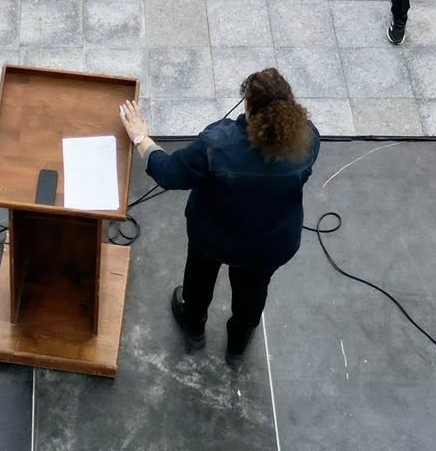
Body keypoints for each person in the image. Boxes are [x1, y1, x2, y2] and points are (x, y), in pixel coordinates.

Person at [115, 71, 319, 363]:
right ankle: (237, 347)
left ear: (248, 108)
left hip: (213, 237)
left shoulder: (218, 144)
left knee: (198, 280)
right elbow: (305, 174)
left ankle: (194, 329)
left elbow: (170, 173)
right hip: (270, 245)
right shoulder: (308, 139)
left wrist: (139, 136)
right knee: (253, 291)